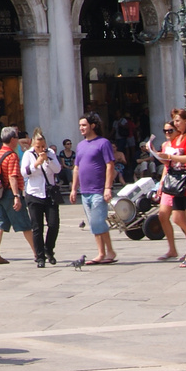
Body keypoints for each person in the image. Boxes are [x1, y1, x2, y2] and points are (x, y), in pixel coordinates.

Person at [150, 108, 186, 267]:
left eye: (177, 121)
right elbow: (171, 162)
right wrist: (159, 156)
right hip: (176, 180)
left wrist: (169, 156)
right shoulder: (177, 139)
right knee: (177, 217)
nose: (175, 124)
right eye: (174, 121)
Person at [69, 112, 117, 265]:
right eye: (80, 126)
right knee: (94, 223)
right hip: (85, 191)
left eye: (84, 125)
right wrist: (74, 188)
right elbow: (76, 168)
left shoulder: (103, 143)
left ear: (92, 126)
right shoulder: (80, 145)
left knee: (98, 221)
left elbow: (110, 165)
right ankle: (106, 252)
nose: (81, 128)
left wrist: (107, 187)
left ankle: (104, 252)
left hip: (98, 190)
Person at [0, 127, 36, 264]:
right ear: (13, 139)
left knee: (0, 224)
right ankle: (37, 252)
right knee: (25, 224)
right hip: (9, 193)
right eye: (16, 137)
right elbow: (13, 176)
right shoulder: (12, 155)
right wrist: (17, 196)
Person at [20, 131, 62, 268]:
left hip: (49, 194)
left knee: (54, 224)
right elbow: (24, 172)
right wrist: (36, 163)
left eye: (43, 146)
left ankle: (48, 249)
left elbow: (57, 169)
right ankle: (40, 256)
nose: (41, 149)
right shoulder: (28, 155)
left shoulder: (50, 153)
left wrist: (48, 159)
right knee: (37, 227)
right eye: (38, 146)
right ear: (33, 144)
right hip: (34, 194)